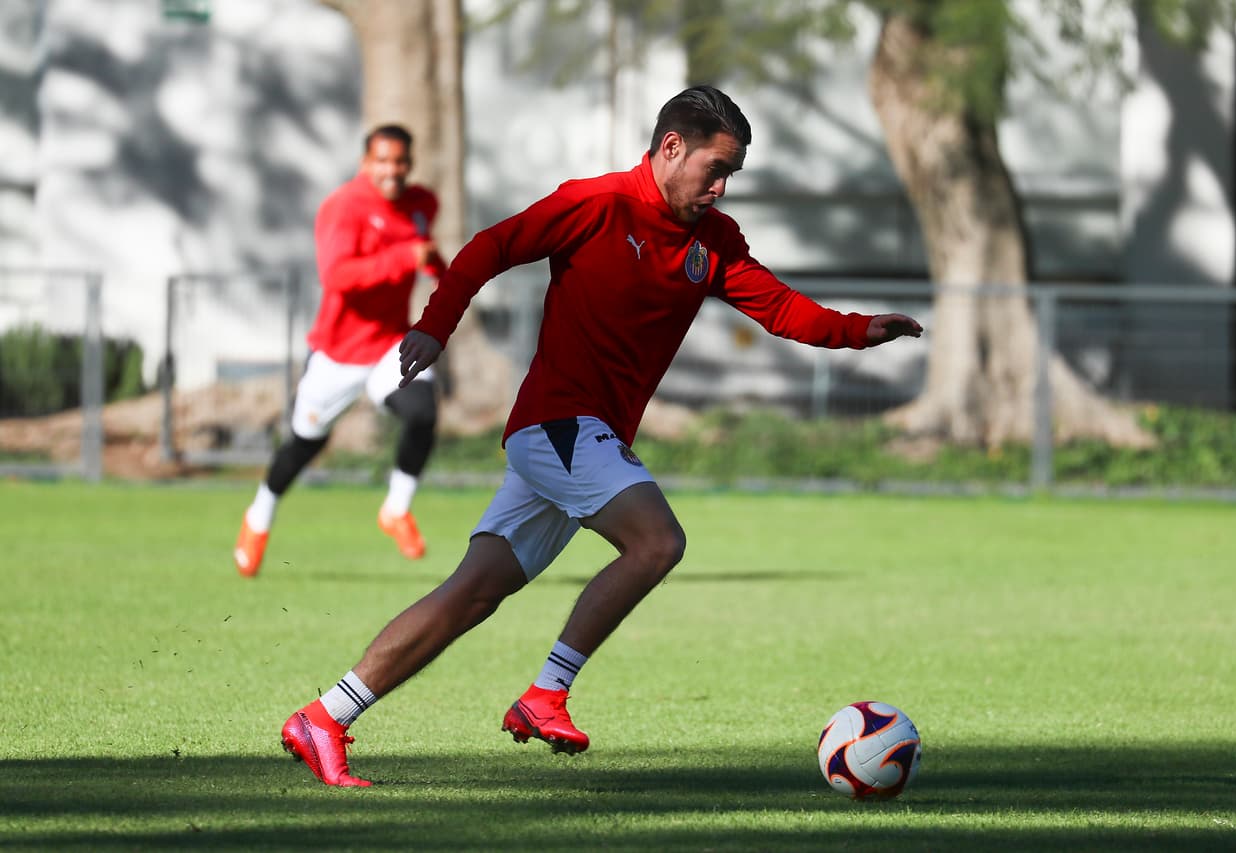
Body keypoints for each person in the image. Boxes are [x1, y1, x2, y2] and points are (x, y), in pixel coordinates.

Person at [279, 86, 923, 786]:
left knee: (472, 592)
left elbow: (781, 309)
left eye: (731, 173)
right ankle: (545, 694)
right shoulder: (597, 203)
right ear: (670, 147)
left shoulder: (713, 240)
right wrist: (435, 326)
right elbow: (490, 248)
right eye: (715, 167)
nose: (722, 186)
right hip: (558, 422)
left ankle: (324, 716)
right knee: (657, 542)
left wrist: (860, 330)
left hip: (581, 438)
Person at [234, 124, 449, 578]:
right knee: (304, 446)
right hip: (338, 351)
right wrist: (404, 259)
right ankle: (259, 518)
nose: (393, 170)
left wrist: (443, 278)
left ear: (409, 163)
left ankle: (396, 510)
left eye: (400, 161)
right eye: (383, 161)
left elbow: (423, 252)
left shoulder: (422, 204)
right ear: (365, 163)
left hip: (391, 342)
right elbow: (337, 277)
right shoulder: (344, 207)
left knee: (423, 412)